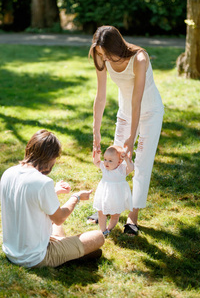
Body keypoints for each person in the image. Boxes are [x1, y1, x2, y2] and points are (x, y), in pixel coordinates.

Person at [88, 26, 164, 235]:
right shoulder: (101, 57)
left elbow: (137, 100)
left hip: (149, 112)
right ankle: (107, 209)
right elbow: (101, 95)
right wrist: (96, 131)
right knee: (114, 162)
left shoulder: (139, 58)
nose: (105, 59)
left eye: (107, 54)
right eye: (101, 55)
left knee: (141, 163)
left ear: (117, 47)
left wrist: (131, 137)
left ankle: (133, 215)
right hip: (125, 112)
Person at [0, 129, 104, 268]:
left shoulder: (8, 173)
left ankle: (67, 248)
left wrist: (54, 192)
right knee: (98, 237)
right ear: (51, 157)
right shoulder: (43, 182)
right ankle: (69, 254)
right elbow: (59, 218)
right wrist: (76, 197)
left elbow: (26, 200)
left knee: (58, 229)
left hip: (12, 251)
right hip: (35, 257)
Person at [93, 145, 134, 236]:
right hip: (105, 194)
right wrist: (97, 154)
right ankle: (103, 231)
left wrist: (127, 159)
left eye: (110, 160)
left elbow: (131, 168)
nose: (106, 162)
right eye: (105, 159)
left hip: (117, 196)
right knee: (101, 212)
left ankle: (109, 229)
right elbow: (96, 162)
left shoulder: (122, 170)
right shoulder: (104, 167)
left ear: (119, 162)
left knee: (115, 215)